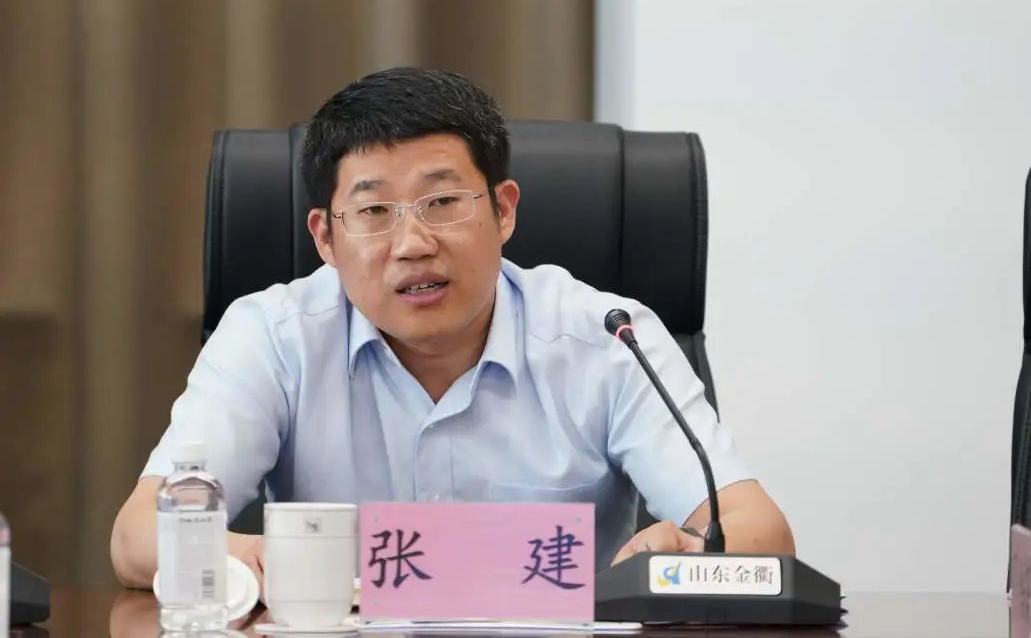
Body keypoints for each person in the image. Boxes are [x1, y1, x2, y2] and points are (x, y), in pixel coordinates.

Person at [111, 67, 794, 590]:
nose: (412, 244)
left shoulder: (608, 338)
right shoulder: (272, 335)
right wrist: (254, 555)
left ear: (503, 210)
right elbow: (138, 535)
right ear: (324, 237)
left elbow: (760, 534)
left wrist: (681, 557)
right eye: (374, 211)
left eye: (442, 202)